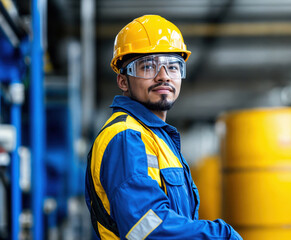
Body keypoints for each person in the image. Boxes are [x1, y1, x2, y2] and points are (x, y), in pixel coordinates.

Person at [85, 15, 243, 240]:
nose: (163, 76)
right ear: (123, 81)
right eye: (148, 66)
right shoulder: (126, 137)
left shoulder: (156, 137)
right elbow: (146, 226)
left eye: (173, 66)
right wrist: (219, 235)